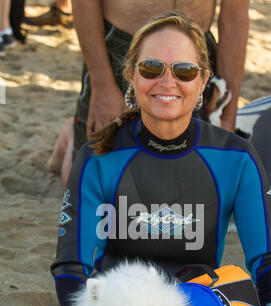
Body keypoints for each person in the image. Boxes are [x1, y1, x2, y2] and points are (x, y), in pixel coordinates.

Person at [1, 11, 271, 306]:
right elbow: (71, 267)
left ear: (202, 83)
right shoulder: (98, 157)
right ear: (131, 76)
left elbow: (268, 256)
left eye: (184, 70)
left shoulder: (235, 156)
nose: (167, 81)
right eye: (151, 68)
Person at [47, 0, 249, 187]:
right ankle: (71, 135)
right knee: (88, 185)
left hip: (192, 52)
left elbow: (235, 17)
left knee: (194, 186)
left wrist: (228, 117)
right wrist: (102, 86)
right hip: (122, 46)